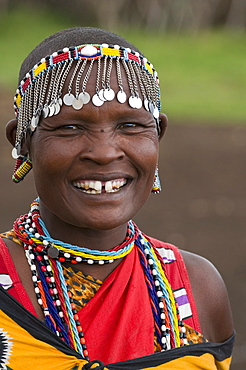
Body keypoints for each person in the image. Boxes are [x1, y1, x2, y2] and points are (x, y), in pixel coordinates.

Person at [0, 27, 234, 370]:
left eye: (130, 125)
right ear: (22, 141)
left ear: (158, 135)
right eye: (69, 128)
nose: (105, 152)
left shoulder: (198, 288)